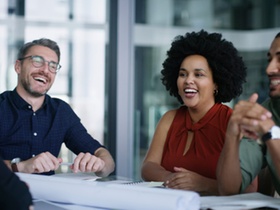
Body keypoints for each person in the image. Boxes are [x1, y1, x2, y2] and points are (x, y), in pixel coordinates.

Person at [141, 30, 248, 195]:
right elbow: (148, 167)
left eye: (199, 74)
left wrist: (202, 184)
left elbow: (250, 189)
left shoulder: (232, 122)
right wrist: (173, 179)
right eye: (182, 74)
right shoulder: (169, 119)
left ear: (216, 83)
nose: (188, 80)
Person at [0, 38, 115, 177]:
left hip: (48, 197)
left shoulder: (61, 111)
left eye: (53, 66)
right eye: (37, 61)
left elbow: (107, 161)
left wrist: (100, 164)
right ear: (18, 66)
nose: (45, 70)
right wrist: (21, 167)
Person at [217, 32, 280, 195]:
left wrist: (271, 133)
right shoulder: (265, 113)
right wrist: (232, 137)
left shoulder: (266, 123)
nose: (269, 69)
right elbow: (229, 189)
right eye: (269, 59)